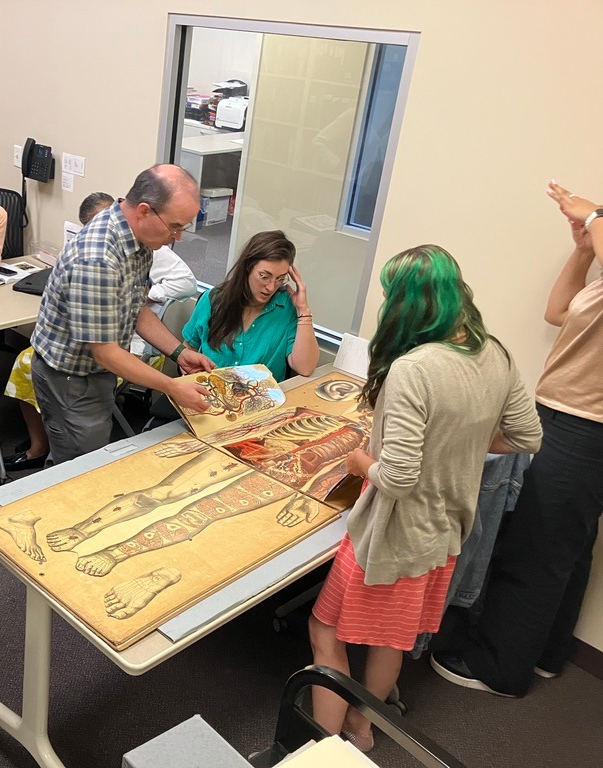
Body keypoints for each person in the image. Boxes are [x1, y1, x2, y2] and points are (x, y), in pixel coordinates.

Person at [307, 245, 542, 752]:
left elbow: (395, 478)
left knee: (325, 629)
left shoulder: (413, 368)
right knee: (392, 637)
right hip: (444, 534)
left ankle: (321, 748)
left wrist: (357, 462)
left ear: (408, 303)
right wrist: (463, 446)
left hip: (391, 534)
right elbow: (527, 435)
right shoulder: (493, 351)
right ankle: (363, 726)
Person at [431, 181, 603, 698]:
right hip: (571, 416)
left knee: (535, 547)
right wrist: (583, 248)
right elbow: (558, 311)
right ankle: (546, 653)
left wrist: (593, 213)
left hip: (584, 423)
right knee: (569, 545)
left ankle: (498, 668)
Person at [31, 164, 215, 464]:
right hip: (71, 378)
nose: (177, 237)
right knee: (78, 470)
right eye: (175, 226)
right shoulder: (98, 258)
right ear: (144, 211)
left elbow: (134, 308)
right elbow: (104, 352)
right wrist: (173, 387)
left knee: (87, 457)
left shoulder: (137, 239)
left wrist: (179, 353)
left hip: (95, 371)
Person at [182, 230, 318, 382]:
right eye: (264, 277)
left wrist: (303, 310)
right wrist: (189, 373)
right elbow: (189, 348)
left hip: (261, 401)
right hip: (210, 395)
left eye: (280, 278)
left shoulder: (286, 307)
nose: (271, 287)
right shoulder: (214, 299)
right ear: (248, 267)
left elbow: (305, 368)